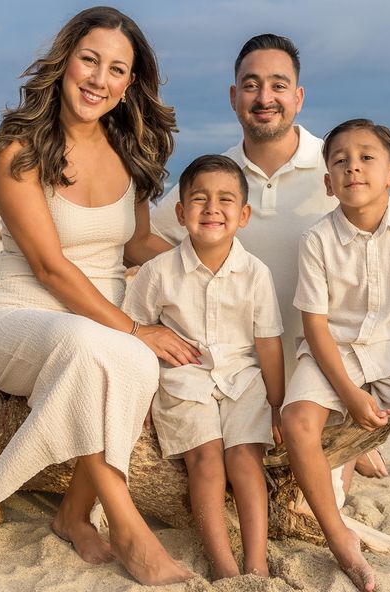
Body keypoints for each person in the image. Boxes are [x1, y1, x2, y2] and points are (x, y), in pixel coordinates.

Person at [0, 7, 199, 586]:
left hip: (98, 324)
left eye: (116, 70)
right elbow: (50, 267)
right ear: (65, 61)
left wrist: (201, 260)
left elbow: (136, 242)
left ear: (128, 86)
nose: (99, 79)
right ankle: (126, 527)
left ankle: (74, 512)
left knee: (113, 353)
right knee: (106, 349)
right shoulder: (16, 151)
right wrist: (134, 330)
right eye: (89, 60)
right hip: (21, 316)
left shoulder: (131, 151)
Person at [150, 33, 390, 481]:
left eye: (278, 85)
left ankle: (351, 448)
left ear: (298, 97)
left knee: (316, 499)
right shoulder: (216, 178)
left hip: (333, 372)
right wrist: (197, 269)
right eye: (251, 85)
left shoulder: (339, 166)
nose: (265, 98)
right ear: (233, 96)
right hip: (250, 381)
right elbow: (144, 239)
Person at [280, 119, 390, 592]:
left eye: (367, 157)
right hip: (336, 353)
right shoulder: (316, 241)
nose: (353, 167)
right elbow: (317, 326)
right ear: (328, 182)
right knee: (297, 423)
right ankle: (341, 540)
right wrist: (348, 394)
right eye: (340, 160)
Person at [122, 155, 284, 579]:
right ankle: (224, 566)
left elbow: (268, 343)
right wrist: (139, 400)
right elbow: (133, 332)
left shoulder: (256, 273)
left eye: (226, 199)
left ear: (244, 215)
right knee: (206, 461)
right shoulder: (158, 272)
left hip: (243, 378)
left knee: (245, 460)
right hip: (185, 378)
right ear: (180, 212)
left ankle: (257, 562)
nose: (212, 208)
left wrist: (277, 403)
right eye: (199, 199)